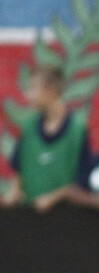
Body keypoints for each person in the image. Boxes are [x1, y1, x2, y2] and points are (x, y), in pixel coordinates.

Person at [1, 64, 92, 212]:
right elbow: (18, 169)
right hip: (30, 217)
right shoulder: (28, 127)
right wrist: (14, 193)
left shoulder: (78, 129)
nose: (28, 94)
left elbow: (83, 178)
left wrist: (53, 197)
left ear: (51, 91)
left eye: (33, 88)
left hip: (68, 218)